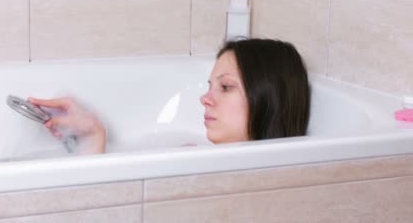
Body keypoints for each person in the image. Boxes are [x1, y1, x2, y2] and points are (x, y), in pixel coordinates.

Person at [29, 38, 310, 154]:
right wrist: (94, 133)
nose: (205, 99)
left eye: (225, 87)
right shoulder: (196, 155)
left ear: (268, 97)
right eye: (209, 86)